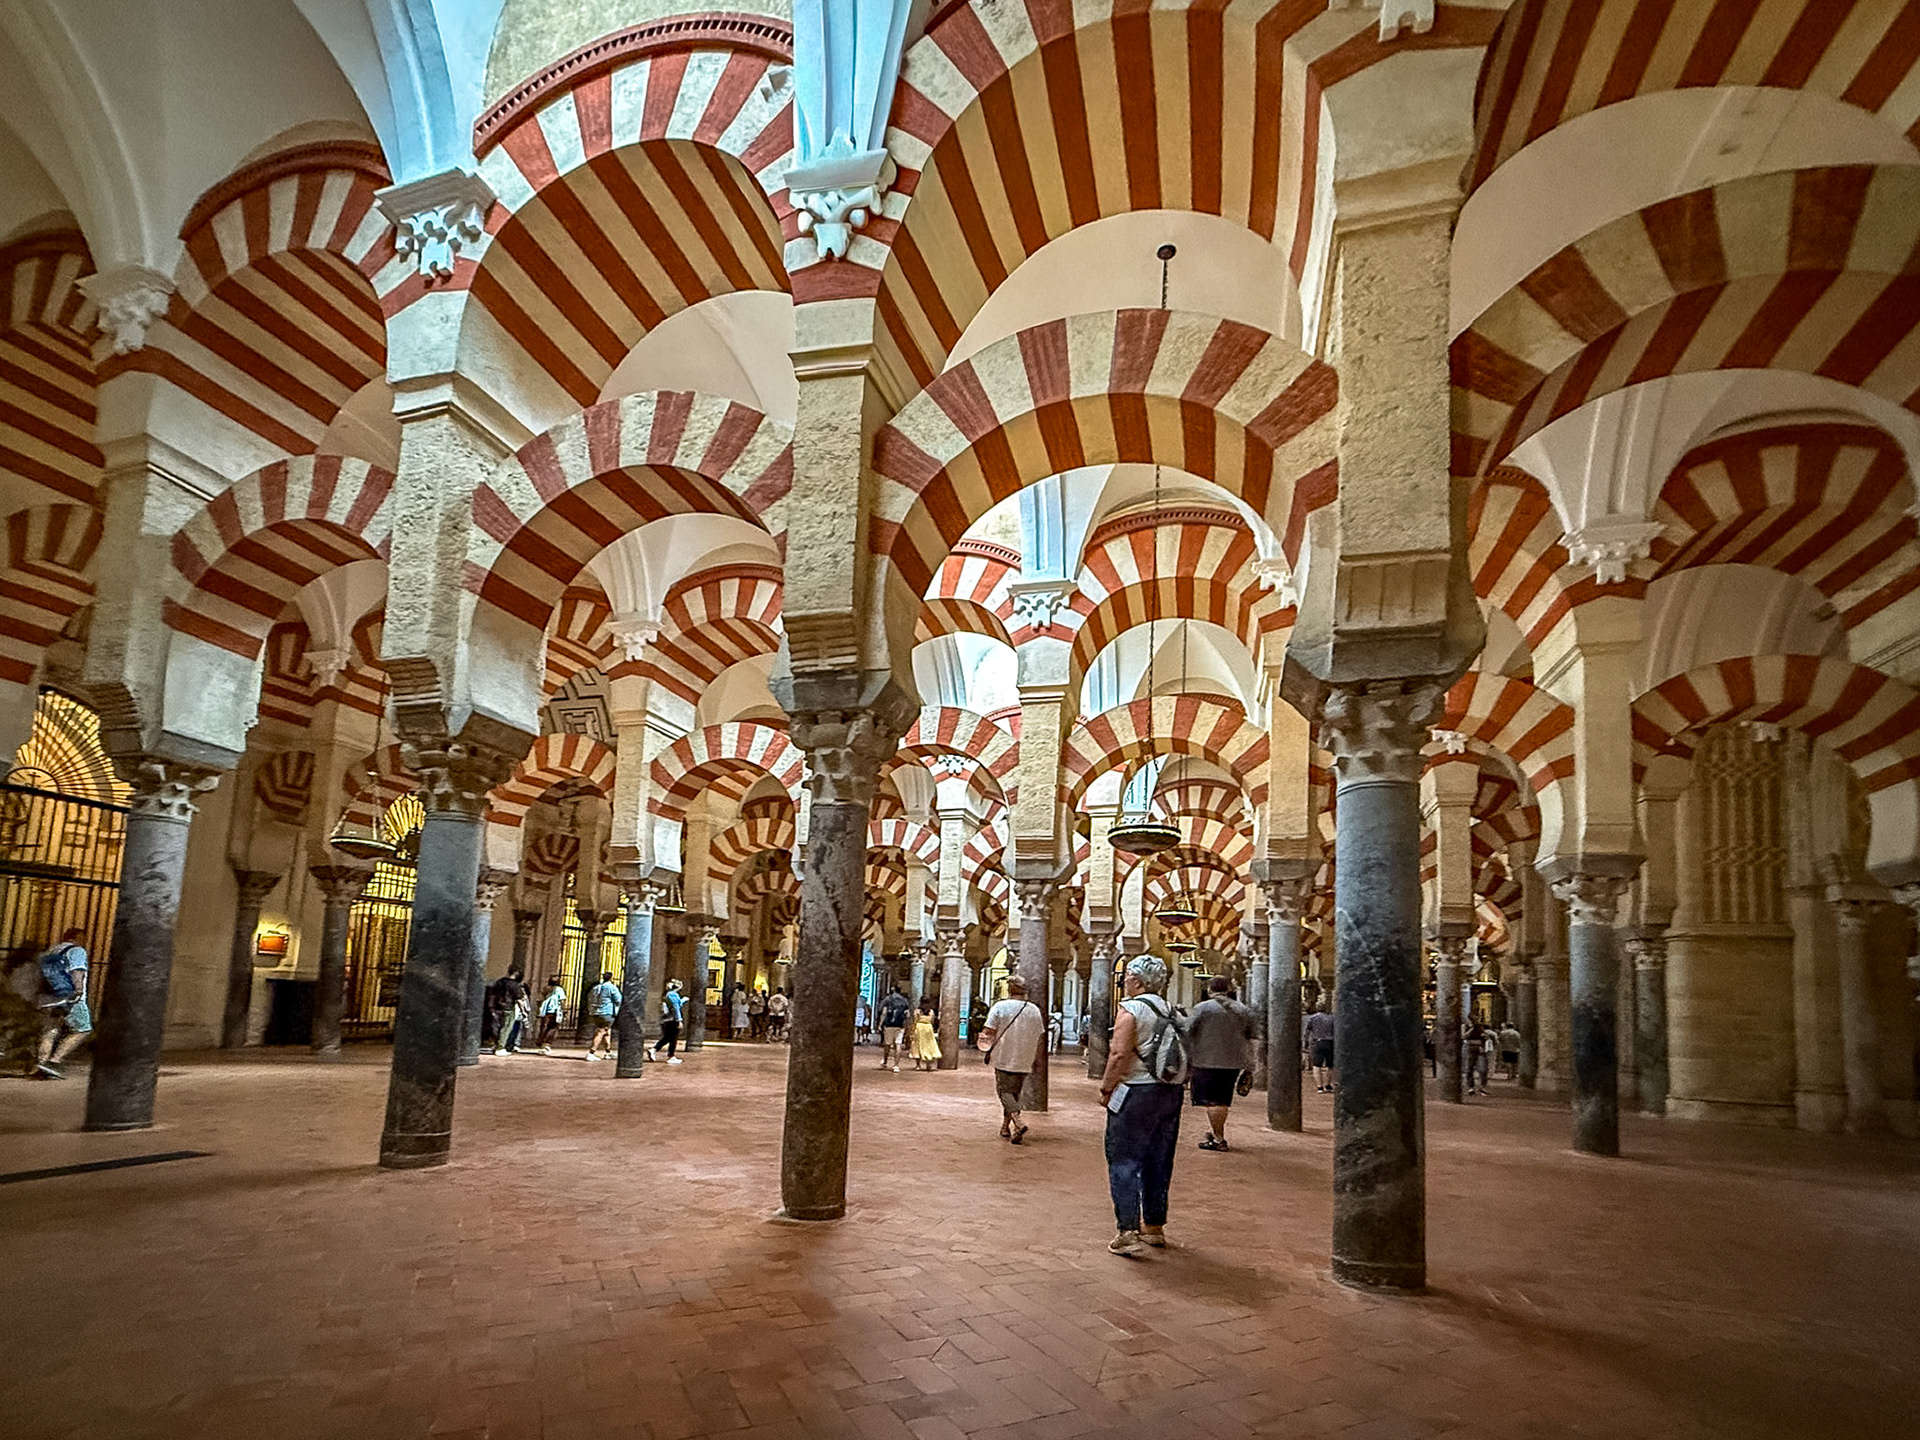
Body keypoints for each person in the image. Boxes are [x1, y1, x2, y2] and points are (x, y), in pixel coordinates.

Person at [1098, 955, 1184, 1256]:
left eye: (1126, 976)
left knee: (1124, 1159)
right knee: (1159, 1158)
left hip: (1136, 1092)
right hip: (1170, 1092)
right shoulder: (1174, 1010)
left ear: (1136, 980)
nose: (1123, 981)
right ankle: (1154, 1226)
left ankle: (1127, 1231)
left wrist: (1106, 1087)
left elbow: (1119, 1055)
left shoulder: (1131, 1010)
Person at [1187, 977, 1255, 1152]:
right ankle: (1217, 1132)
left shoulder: (1202, 1008)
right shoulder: (1242, 1009)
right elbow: (1252, 1034)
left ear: (1210, 989)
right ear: (1228, 989)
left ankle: (1219, 1138)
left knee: (1213, 1101)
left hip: (1206, 1059)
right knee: (1223, 1099)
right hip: (1233, 1061)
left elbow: (1187, 1030)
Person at [977, 976, 1045, 1142]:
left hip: (1004, 1055)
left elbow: (988, 1031)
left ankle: (1018, 1122)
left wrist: (985, 1044)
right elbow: (1040, 1036)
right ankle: (1006, 1127)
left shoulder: (1001, 1006)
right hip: (1025, 1056)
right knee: (1015, 1092)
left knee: (1004, 1092)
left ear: (1009, 989)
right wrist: (1037, 1058)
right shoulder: (1034, 1010)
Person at [32, 929, 91, 1079]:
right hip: (68, 997)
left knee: (51, 1030)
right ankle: (54, 1061)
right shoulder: (77, 950)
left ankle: (42, 1064)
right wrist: (78, 991)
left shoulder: (51, 951)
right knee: (83, 1029)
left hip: (47, 997)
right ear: (78, 938)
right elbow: (77, 971)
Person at [585, 971, 620, 1061]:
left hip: (596, 1012)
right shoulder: (612, 987)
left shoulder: (596, 987)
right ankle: (591, 1052)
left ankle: (608, 1052)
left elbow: (590, 998)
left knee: (607, 1032)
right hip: (607, 1012)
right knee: (601, 1032)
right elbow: (618, 999)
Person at [492, 970, 530, 1054]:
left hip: (496, 1007)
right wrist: (523, 1011)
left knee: (496, 1027)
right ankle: (500, 1047)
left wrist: (491, 1006)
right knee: (506, 1028)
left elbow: (492, 994)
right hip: (508, 1008)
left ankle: (495, 1045)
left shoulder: (499, 982)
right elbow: (519, 1000)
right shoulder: (515, 985)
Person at [1304, 1001, 1336, 1092]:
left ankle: (1319, 1086)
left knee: (1317, 1065)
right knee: (1330, 1065)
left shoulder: (1312, 1018)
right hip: (1330, 1042)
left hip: (1317, 1042)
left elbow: (1307, 1032)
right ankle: (1328, 1085)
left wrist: (1306, 1043)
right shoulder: (1332, 1018)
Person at [878, 985, 911, 1071]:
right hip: (900, 1025)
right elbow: (907, 1015)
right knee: (898, 1044)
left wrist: (880, 1024)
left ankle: (885, 1061)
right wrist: (907, 1026)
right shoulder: (904, 1000)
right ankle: (896, 1065)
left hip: (889, 1024)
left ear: (893, 989)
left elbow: (884, 1012)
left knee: (887, 1044)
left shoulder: (888, 999)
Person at [653, 978, 685, 1063]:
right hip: (672, 1019)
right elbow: (676, 1008)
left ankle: (654, 1049)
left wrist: (682, 1001)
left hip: (668, 1019)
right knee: (673, 1038)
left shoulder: (668, 994)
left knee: (668, 1037)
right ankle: (671, 1056)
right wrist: (679, 1020)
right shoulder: (673, 995)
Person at [536, 977, 567, 1053]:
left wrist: (539, 1009)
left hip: (545, 1011)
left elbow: (539, 1000)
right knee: (553, 1027)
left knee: (544, 1026)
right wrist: (564, 1010)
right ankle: (547, 1043)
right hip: (555, 1011)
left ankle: (541, 1041)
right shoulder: (559, 989)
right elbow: (562, 1000)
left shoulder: (545, 989)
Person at [909, 999, 941, 1070]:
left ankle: (918, 1065)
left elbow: (915, 1021)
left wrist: (912, 1031)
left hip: (919, 1027)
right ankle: (928, 1065)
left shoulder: (917, 1011)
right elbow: (932, 1021)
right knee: (929, 1045)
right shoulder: (931, 1011)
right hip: (928, 1028)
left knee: (918, 1045)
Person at [1465, 1017, 1493, 1096]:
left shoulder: (1480, 1029)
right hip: (1470, 1050)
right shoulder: (1466, 1028)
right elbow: (1464, 1036)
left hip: (1480, 1050)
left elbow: (1486, 1038)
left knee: (1483, 1069)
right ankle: (1471, 1087)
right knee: (1469, 1069)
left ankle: (1482, 1087)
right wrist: (1471, 1029)